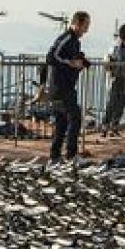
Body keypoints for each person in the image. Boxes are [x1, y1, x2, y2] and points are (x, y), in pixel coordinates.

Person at [45, 11, 91, 163]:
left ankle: (55, 155)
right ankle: (71, 155)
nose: (87, 30)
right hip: (60, 86)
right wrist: (70, 63)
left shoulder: (75, 41)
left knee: (62, 122)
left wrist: (82, 61)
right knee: (75, 117)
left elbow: (71, 58)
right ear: (77, 24)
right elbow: (51, 57)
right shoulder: (66, 38)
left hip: (67, 85)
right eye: (85, 26)